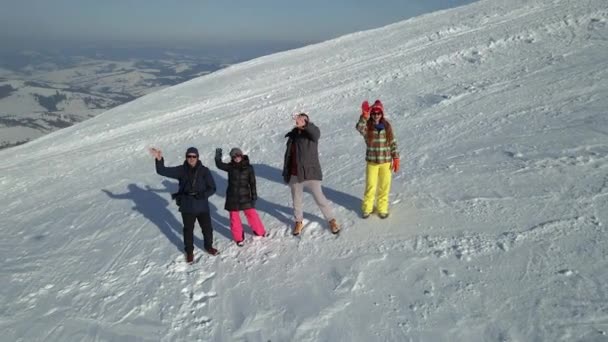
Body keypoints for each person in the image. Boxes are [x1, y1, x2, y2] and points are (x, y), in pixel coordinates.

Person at [149, 146, 219, 263]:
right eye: (189, 156)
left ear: (197, 157)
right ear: (186, 157)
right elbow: (162, 171)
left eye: (193, 156)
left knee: (207, 229)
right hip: (187, 206)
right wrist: (159, 159)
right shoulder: (181, 170)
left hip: (202, 206)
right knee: (188, 230)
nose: (191, 158)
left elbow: (212, 188)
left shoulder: (204, 171)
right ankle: (189, 252)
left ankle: (208, 246)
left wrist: (203, 195)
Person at [282, 112, 340, 235]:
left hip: (310, 173)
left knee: (320, 198)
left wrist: (306, 125)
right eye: (300, 120)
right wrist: (286, 171)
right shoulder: (293, 136)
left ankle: (331, 220)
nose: (301, 121)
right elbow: (288, 156)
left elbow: (315, 132)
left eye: (305, 120)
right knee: (296, 200)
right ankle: (298, 222)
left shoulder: (311, 135)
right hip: (295, 174)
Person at [355, 100, 400, 219]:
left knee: (384, 186)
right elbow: (359, 127)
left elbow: (393, 143)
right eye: (373, 113)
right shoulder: (368, 127)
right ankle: (367, 208)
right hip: (372, 163)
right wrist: (364, 116)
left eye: (378, 113)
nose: (376, 116)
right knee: (370, 186)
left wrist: (395, 157)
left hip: (386, 162)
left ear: (382, 114)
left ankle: (382, 208)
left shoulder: (387, 127)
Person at [214, 147, 267, 246]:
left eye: (238, 155)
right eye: (234, 156)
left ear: (241, 155)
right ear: (232, 157)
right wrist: (218, 156)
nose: (236, 158)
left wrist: (254, 195)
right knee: (234, 218)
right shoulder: (230, 167)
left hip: (245, 195)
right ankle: (239, 238)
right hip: (232, 196)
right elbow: (219, 165)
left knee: (251, 214)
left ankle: (260, 231)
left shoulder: (249, 168)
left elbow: (252, 182)